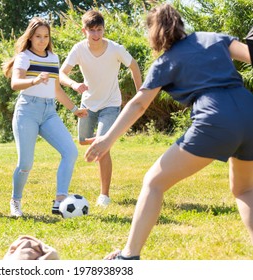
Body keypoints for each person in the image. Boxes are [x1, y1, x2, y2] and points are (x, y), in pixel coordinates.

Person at [85, 3, 253, 260]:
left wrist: (107, 139)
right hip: (249, 109)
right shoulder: (212, 37)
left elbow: (139, 104)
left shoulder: (165, 62)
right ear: (179, 23)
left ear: (153, 33)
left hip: (215, 117)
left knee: (154, 182)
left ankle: (128, 257)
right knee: (245, 190)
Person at [2, 17, 88, 217]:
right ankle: (15, 201)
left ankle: (60, 200)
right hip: (27, 111)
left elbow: (56, 89)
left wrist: (74, 109)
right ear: (30, 37)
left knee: (70, 151)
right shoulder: (24, 56)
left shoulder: (53, 58)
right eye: (38, 36)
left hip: (49, 112)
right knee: (25, 164)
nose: (42, 40)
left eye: (46, 36)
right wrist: (34, 81)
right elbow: (15, 83)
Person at [59, 10, 142, 207]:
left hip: (111, 104)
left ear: (104, 29)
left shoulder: (115, 48)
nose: (96, 35)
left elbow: (134, 66)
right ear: (83, 31)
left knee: (103, 148)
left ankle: (104, 195)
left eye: (99, 30)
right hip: (88, 104)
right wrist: (74, 85)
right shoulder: (78, 49)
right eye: (92, 30)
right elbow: (61, 74)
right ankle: (102, 140)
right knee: (82, 141)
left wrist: (141, 94)